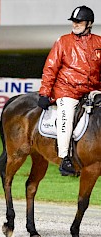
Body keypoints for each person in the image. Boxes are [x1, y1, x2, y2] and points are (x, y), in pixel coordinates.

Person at [38, 5, 101, 176]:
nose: (75, 24)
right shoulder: (63, 41)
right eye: (74, 21)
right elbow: (50, 68)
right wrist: (44, 92)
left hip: (93, 90)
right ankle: (65, 158)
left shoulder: (99, 42)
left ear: (89, 23)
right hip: (68, 90)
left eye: (78, 21)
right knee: (66, 116)